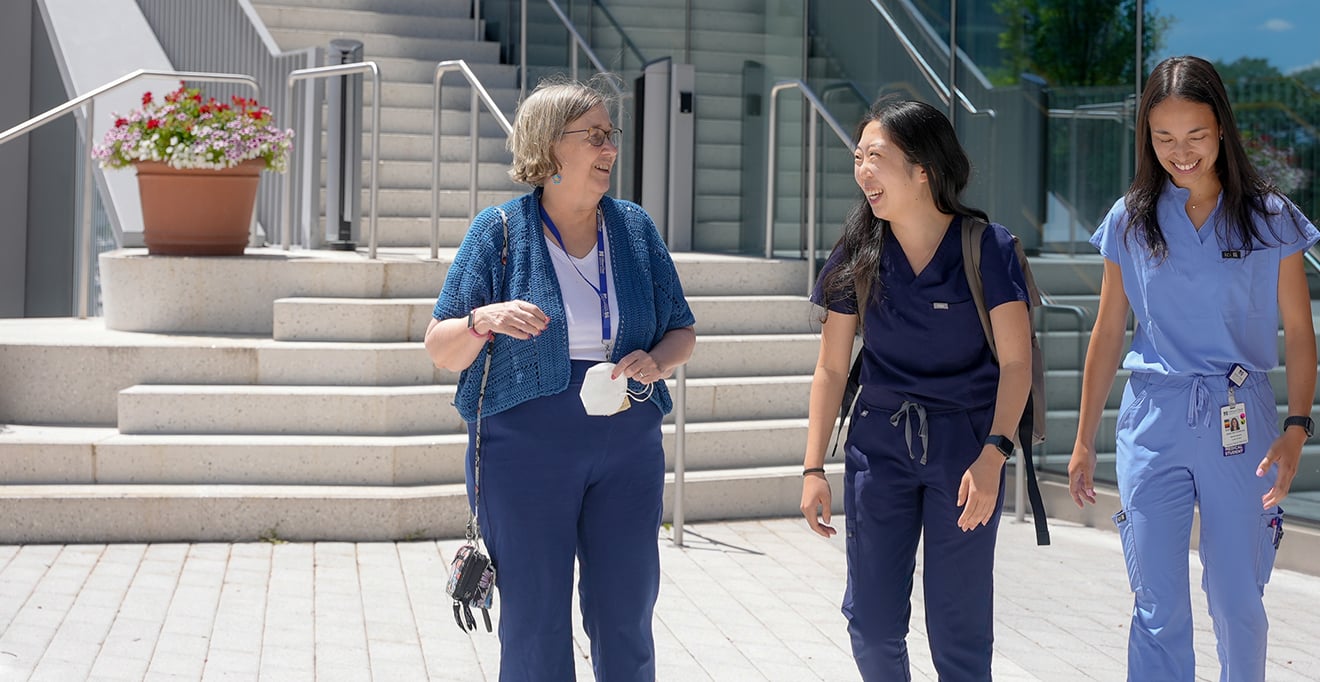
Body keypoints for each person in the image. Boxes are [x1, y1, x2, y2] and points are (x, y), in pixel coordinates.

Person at [424, 77, 696, 681]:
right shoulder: (497, 233)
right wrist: (482, 319)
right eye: (595, 136)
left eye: (610, 136)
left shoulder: (634, 230)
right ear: (551, 147)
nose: (610, 149)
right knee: (536, 621)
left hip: (628, 443)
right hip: (523, 447)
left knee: (626, 615)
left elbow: (683, 331)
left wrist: (657, 361)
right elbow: (440, 347)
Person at [1069, 55, 1317, 682]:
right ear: (1147, 139)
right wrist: (1080, 440)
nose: (1181, 152)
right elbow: (1106, 331)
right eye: (1164, 137)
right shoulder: (1130, 219)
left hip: (1243, 420)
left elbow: (1299, 330)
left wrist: (1296, 427)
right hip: (1153, 418)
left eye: (1197, 136)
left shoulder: (1271, 219)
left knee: (1237, 600)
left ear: (1222, 131)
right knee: (1156, 606)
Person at [799, 99, 1033, 681]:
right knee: (872, 627)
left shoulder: (988, 248)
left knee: (959, 633)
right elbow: (831, 369)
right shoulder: (859, 251)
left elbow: (1017, 363)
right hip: (879, 446)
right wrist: (811, 469)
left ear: (923, 168)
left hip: (967, 451)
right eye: (858, 158)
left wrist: (994, 453)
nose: (862, 172)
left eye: (875, 157)